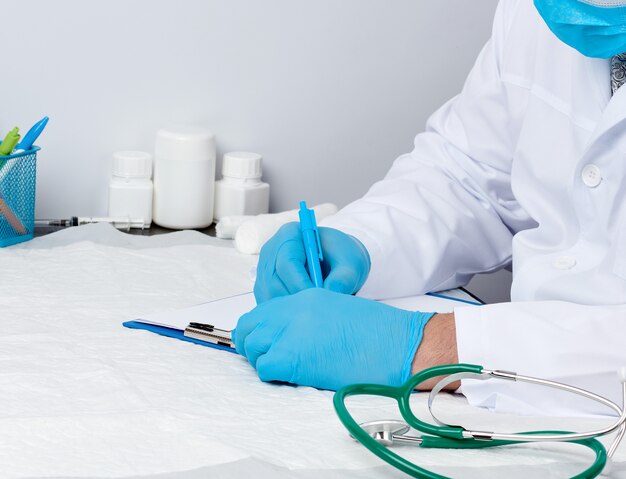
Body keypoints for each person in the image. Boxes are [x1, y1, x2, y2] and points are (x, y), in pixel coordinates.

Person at [233, 0, 626, 416]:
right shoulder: (532, 13)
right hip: (512, 414)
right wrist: (363, 243)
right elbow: (469, 175)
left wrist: (432, 348)